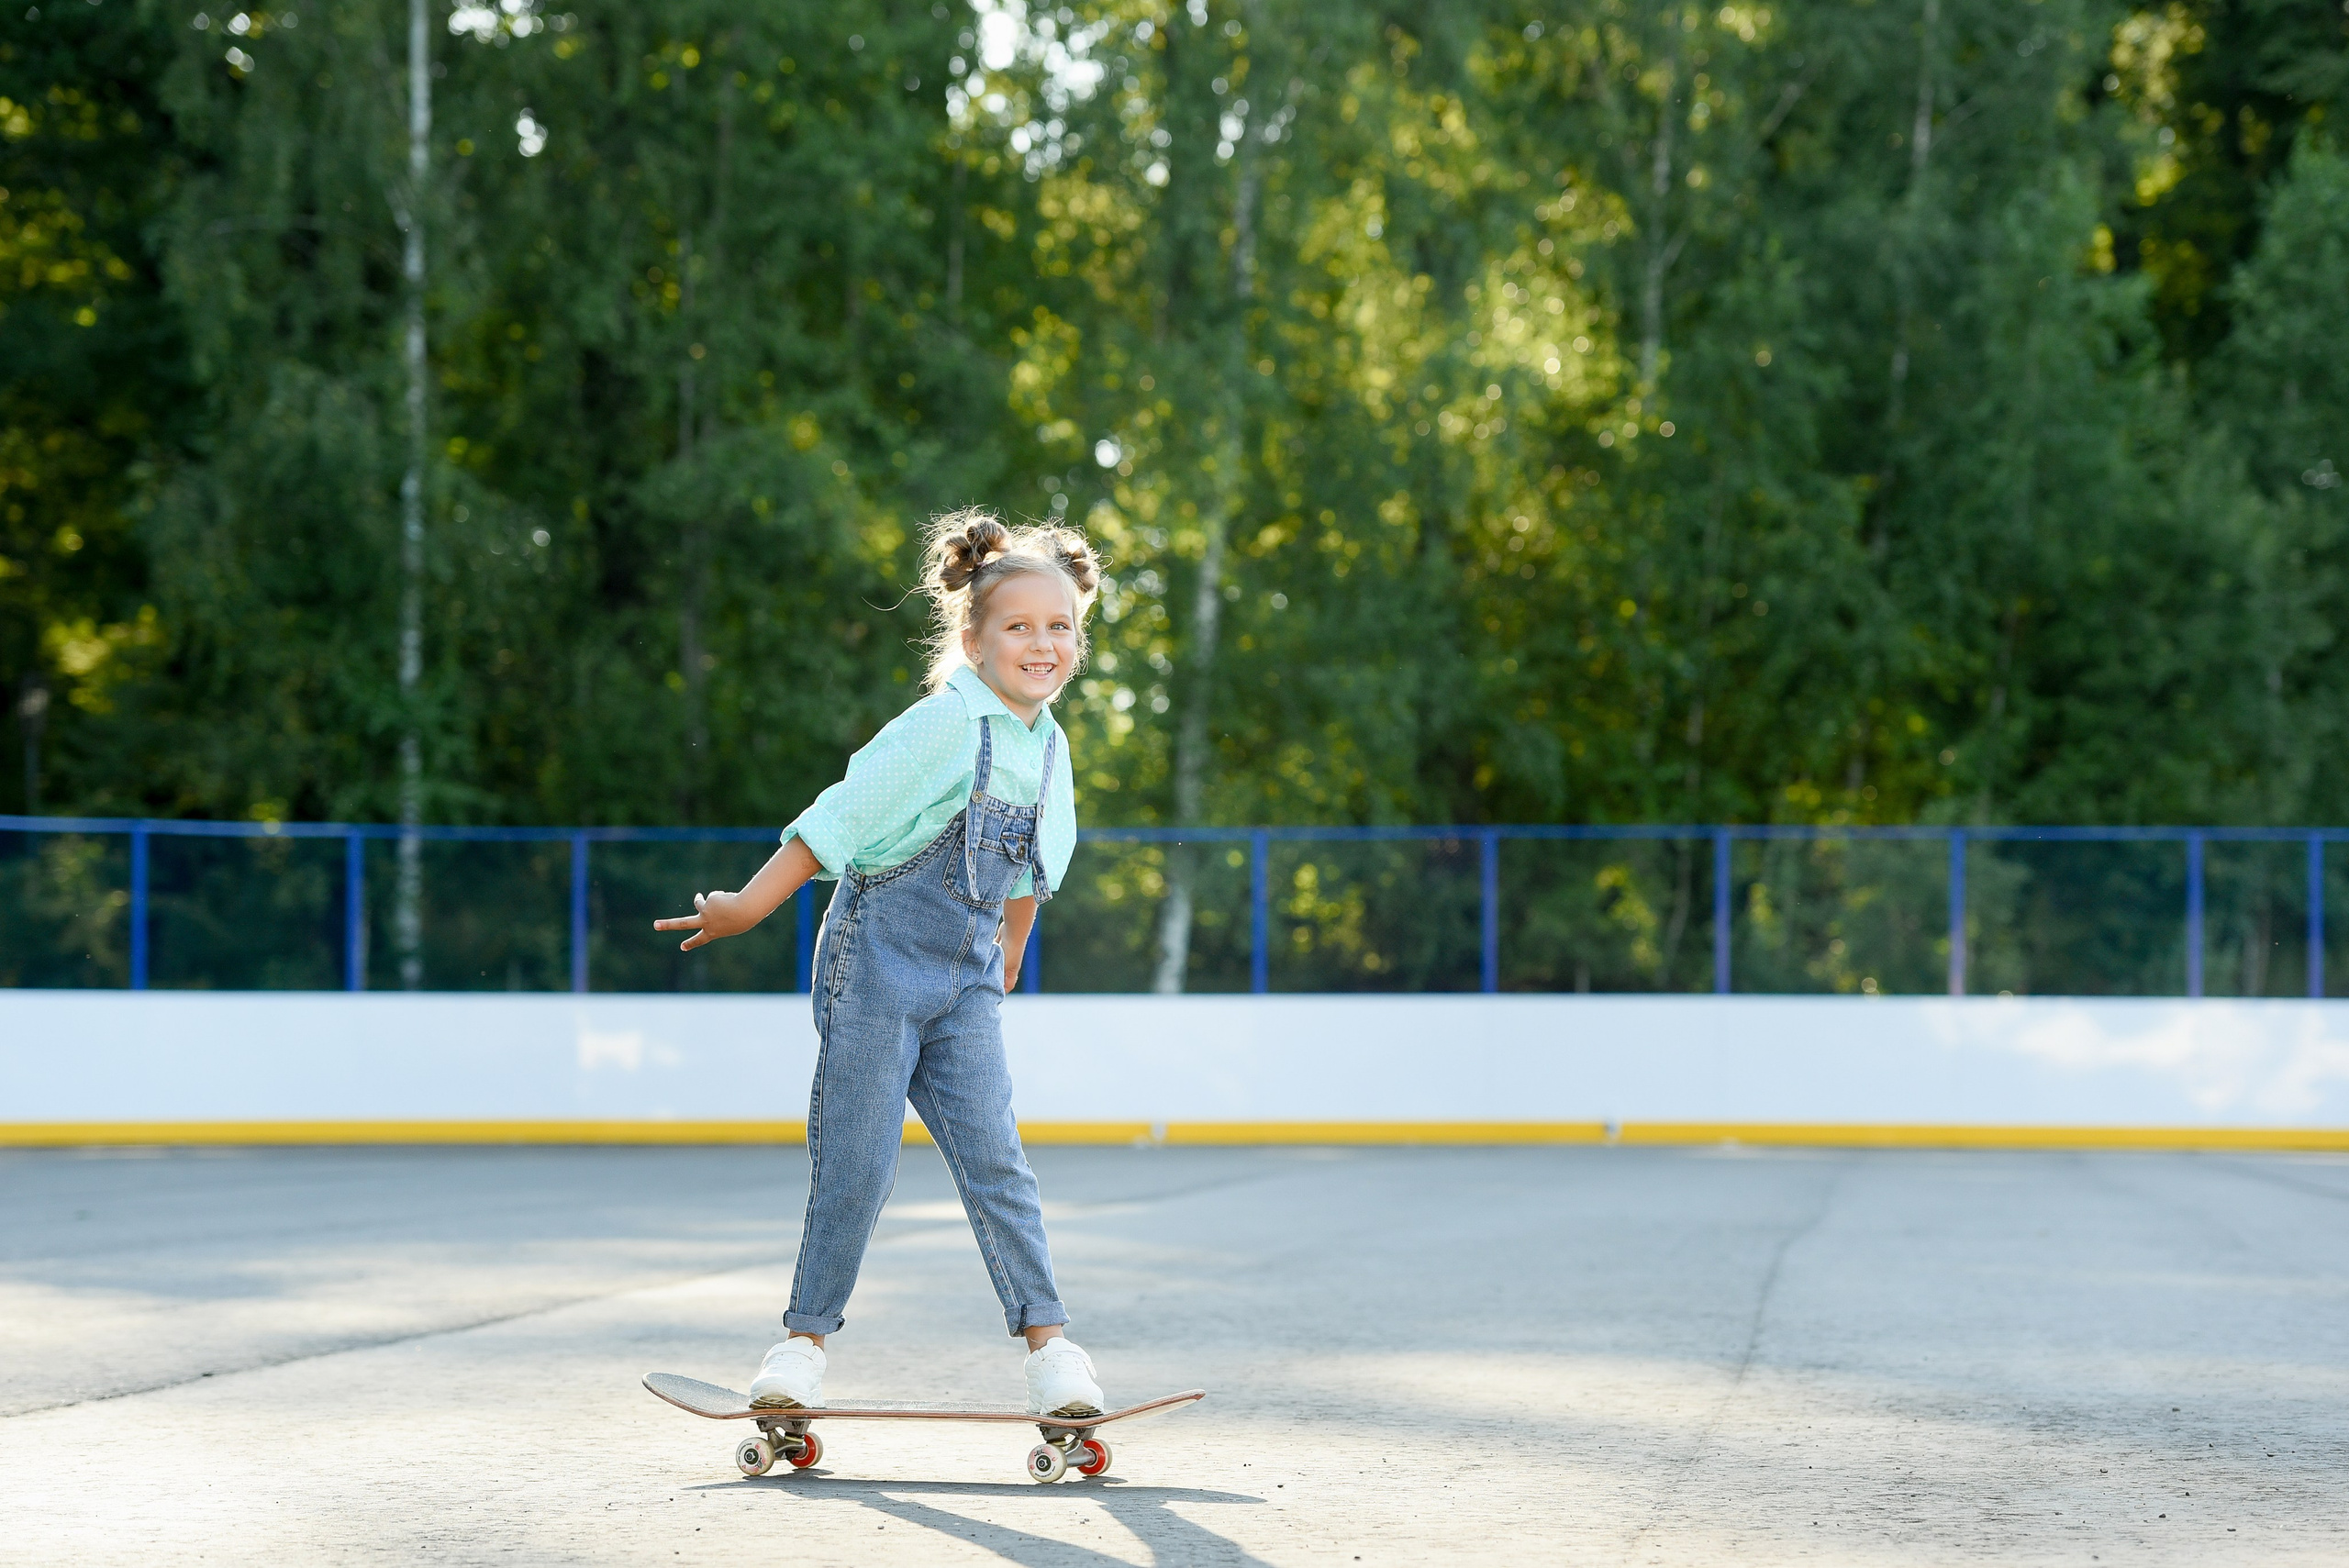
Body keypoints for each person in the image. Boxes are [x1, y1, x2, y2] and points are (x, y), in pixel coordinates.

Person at [652, 508, 1106, 1419]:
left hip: (966, 985)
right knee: (856, 1164)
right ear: (974, 641)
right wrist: (747, 905)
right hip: (875, 972)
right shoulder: (943, 728)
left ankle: (1053, 1353)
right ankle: (799, 1347)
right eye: (1019, 626)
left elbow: (1029, 865)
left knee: (998, 1163)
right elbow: (837, 821)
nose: (1043, 643)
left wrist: (1010, 948)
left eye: (1060, 626)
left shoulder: (1049, 745)